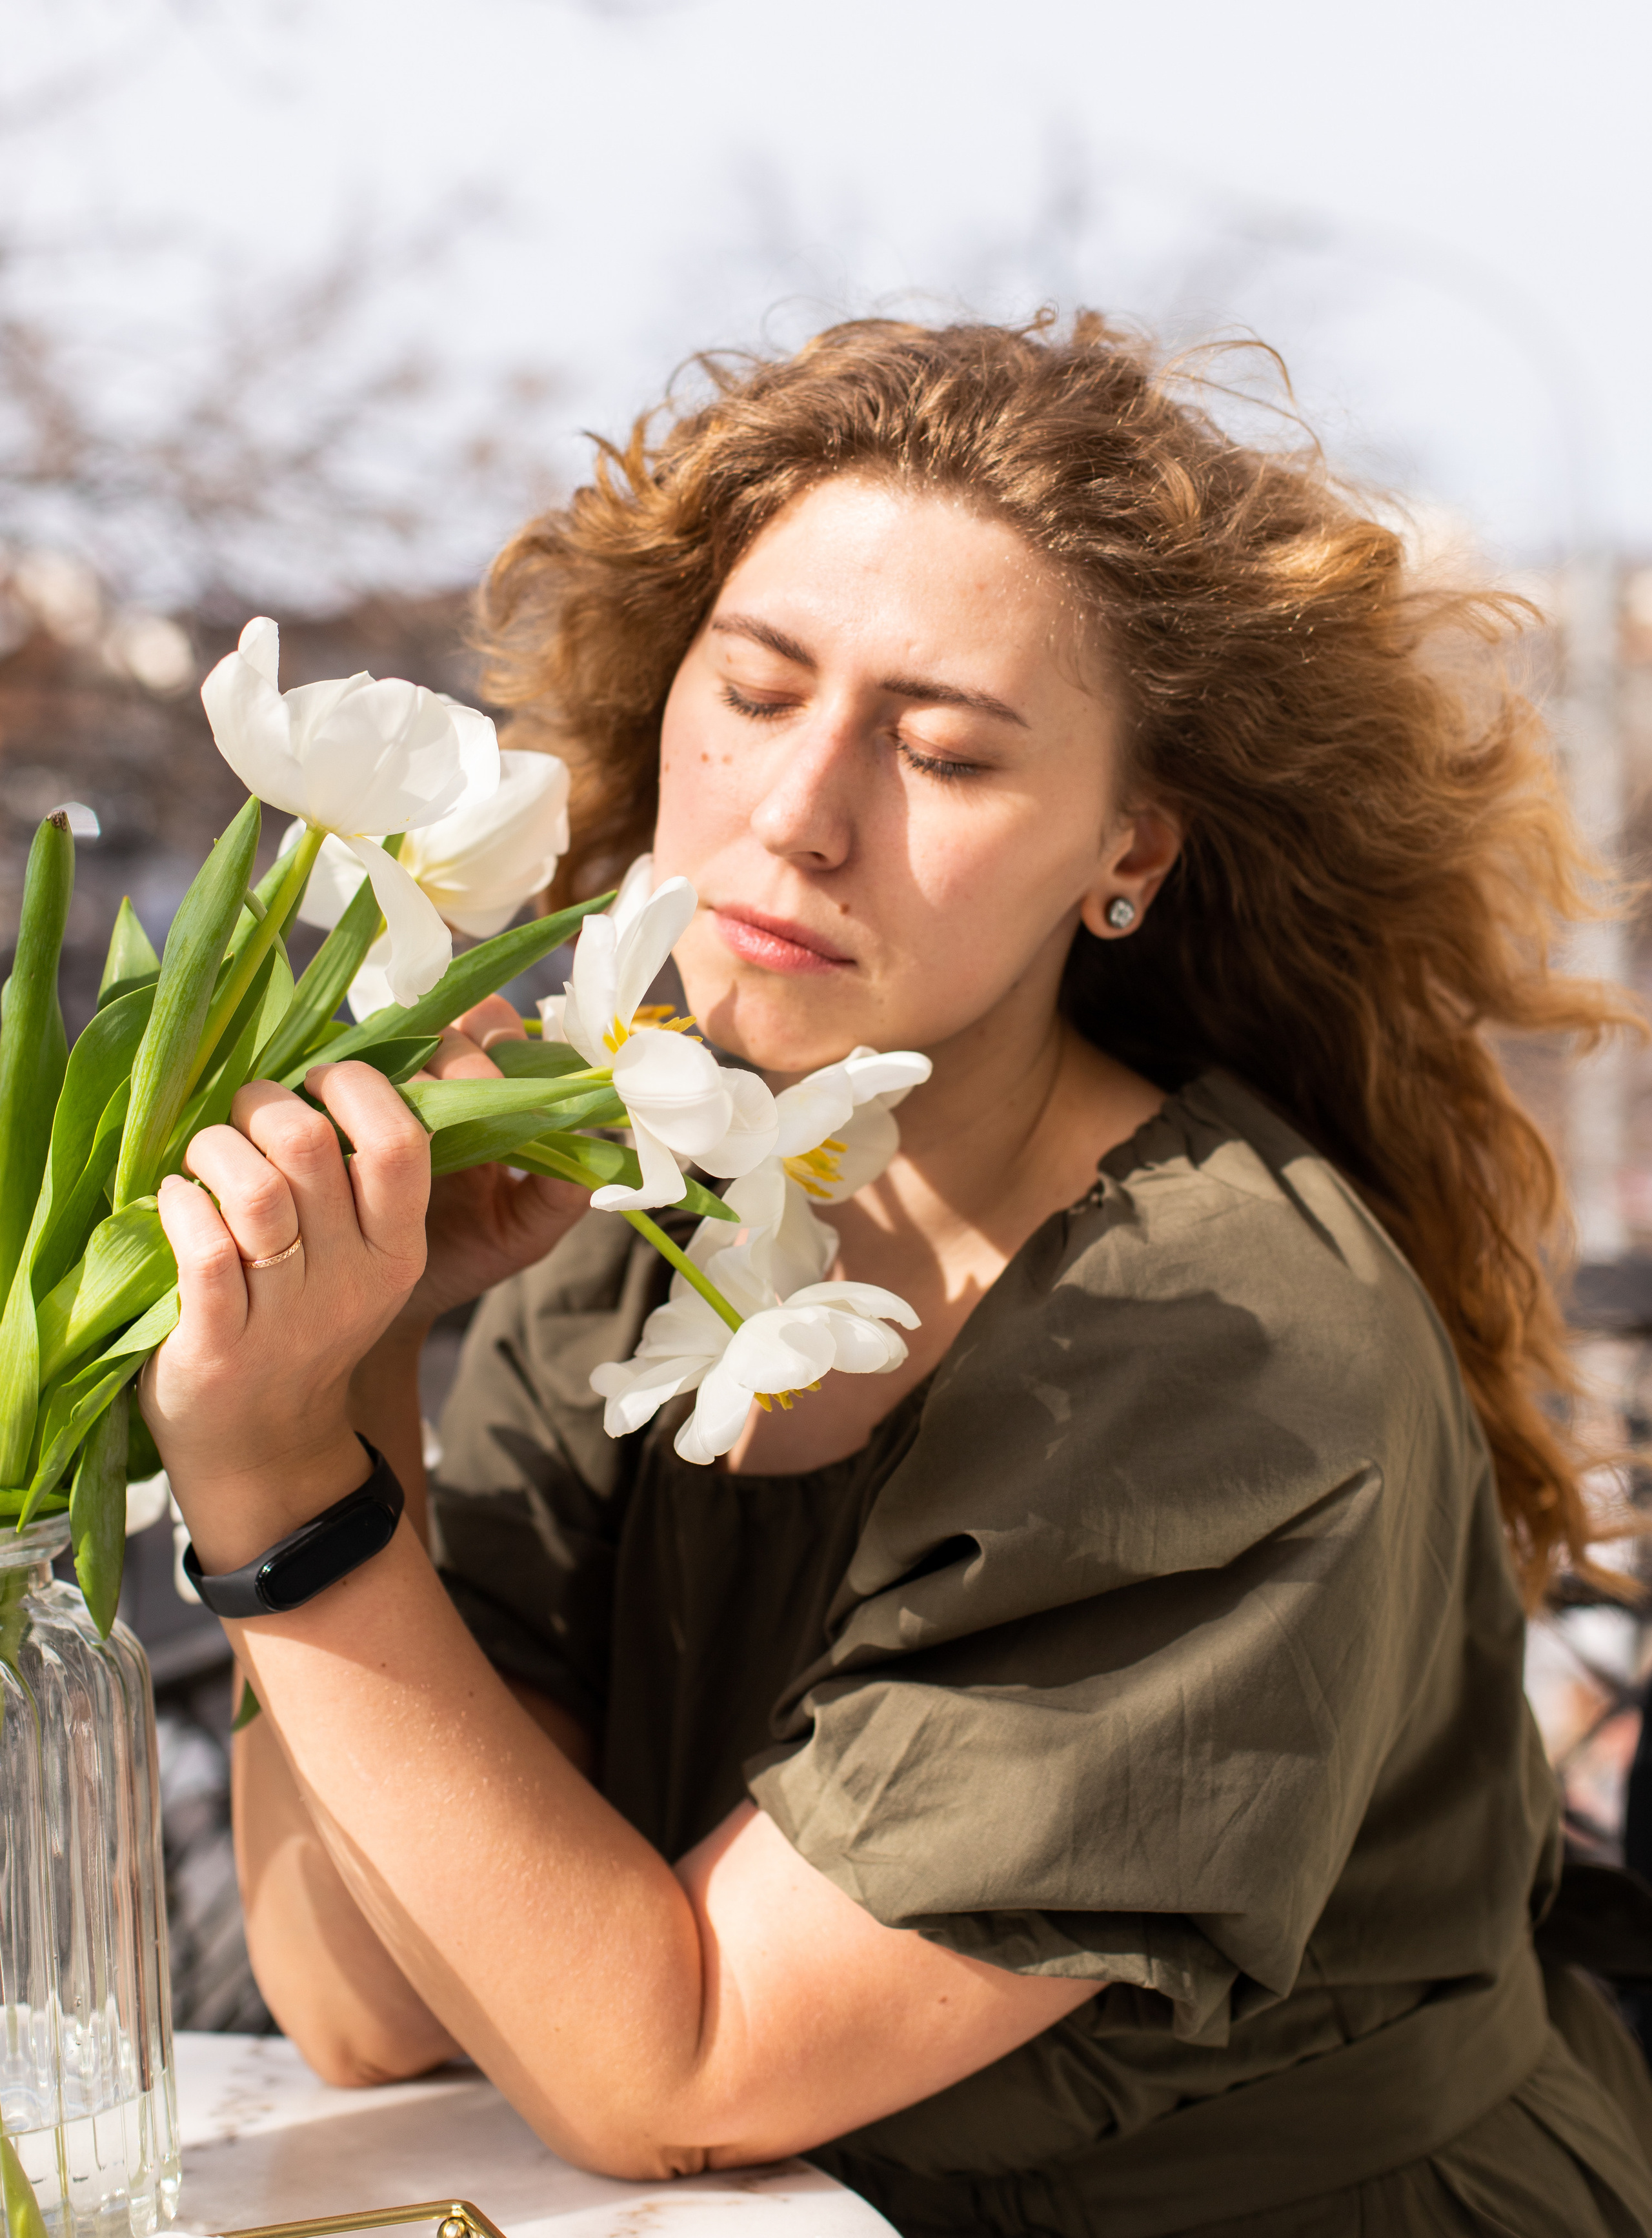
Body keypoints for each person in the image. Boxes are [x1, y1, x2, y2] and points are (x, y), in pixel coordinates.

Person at [145, 315, 1652, 2237]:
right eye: (755, 690)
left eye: (942, 749)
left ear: (1126, 848)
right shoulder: (630, 1233)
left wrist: (280, 1496)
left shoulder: (1218, 1347)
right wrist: (351, 1361)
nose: (801, 811)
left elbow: (668, 2070)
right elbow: (372, 1999)